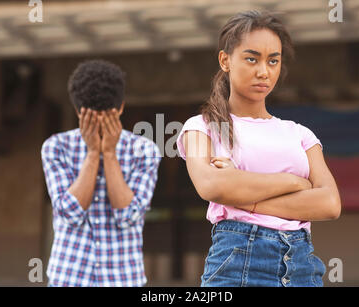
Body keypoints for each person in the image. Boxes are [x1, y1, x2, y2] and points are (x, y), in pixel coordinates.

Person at [176, 10, 341, 287]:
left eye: (273, 61)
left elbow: (330, 203)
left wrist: (241, 194)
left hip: (301, 264)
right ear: (225, 60)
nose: (263, 71)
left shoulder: (300, 134)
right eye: (251, 59)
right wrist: (295, 183)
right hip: (237, 259)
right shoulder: (202, 126)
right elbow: (210, 186)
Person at [41, 59, 161, 286]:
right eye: (90, 118)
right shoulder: (55, 147)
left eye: (106, 117)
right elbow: (70, 213)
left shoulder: (145, 150)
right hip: (68, 278)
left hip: (123, 279)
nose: (99, 126)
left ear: (121, 108)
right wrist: (93, 153)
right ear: (77, 111)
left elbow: (128, 216)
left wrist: (110, 153)